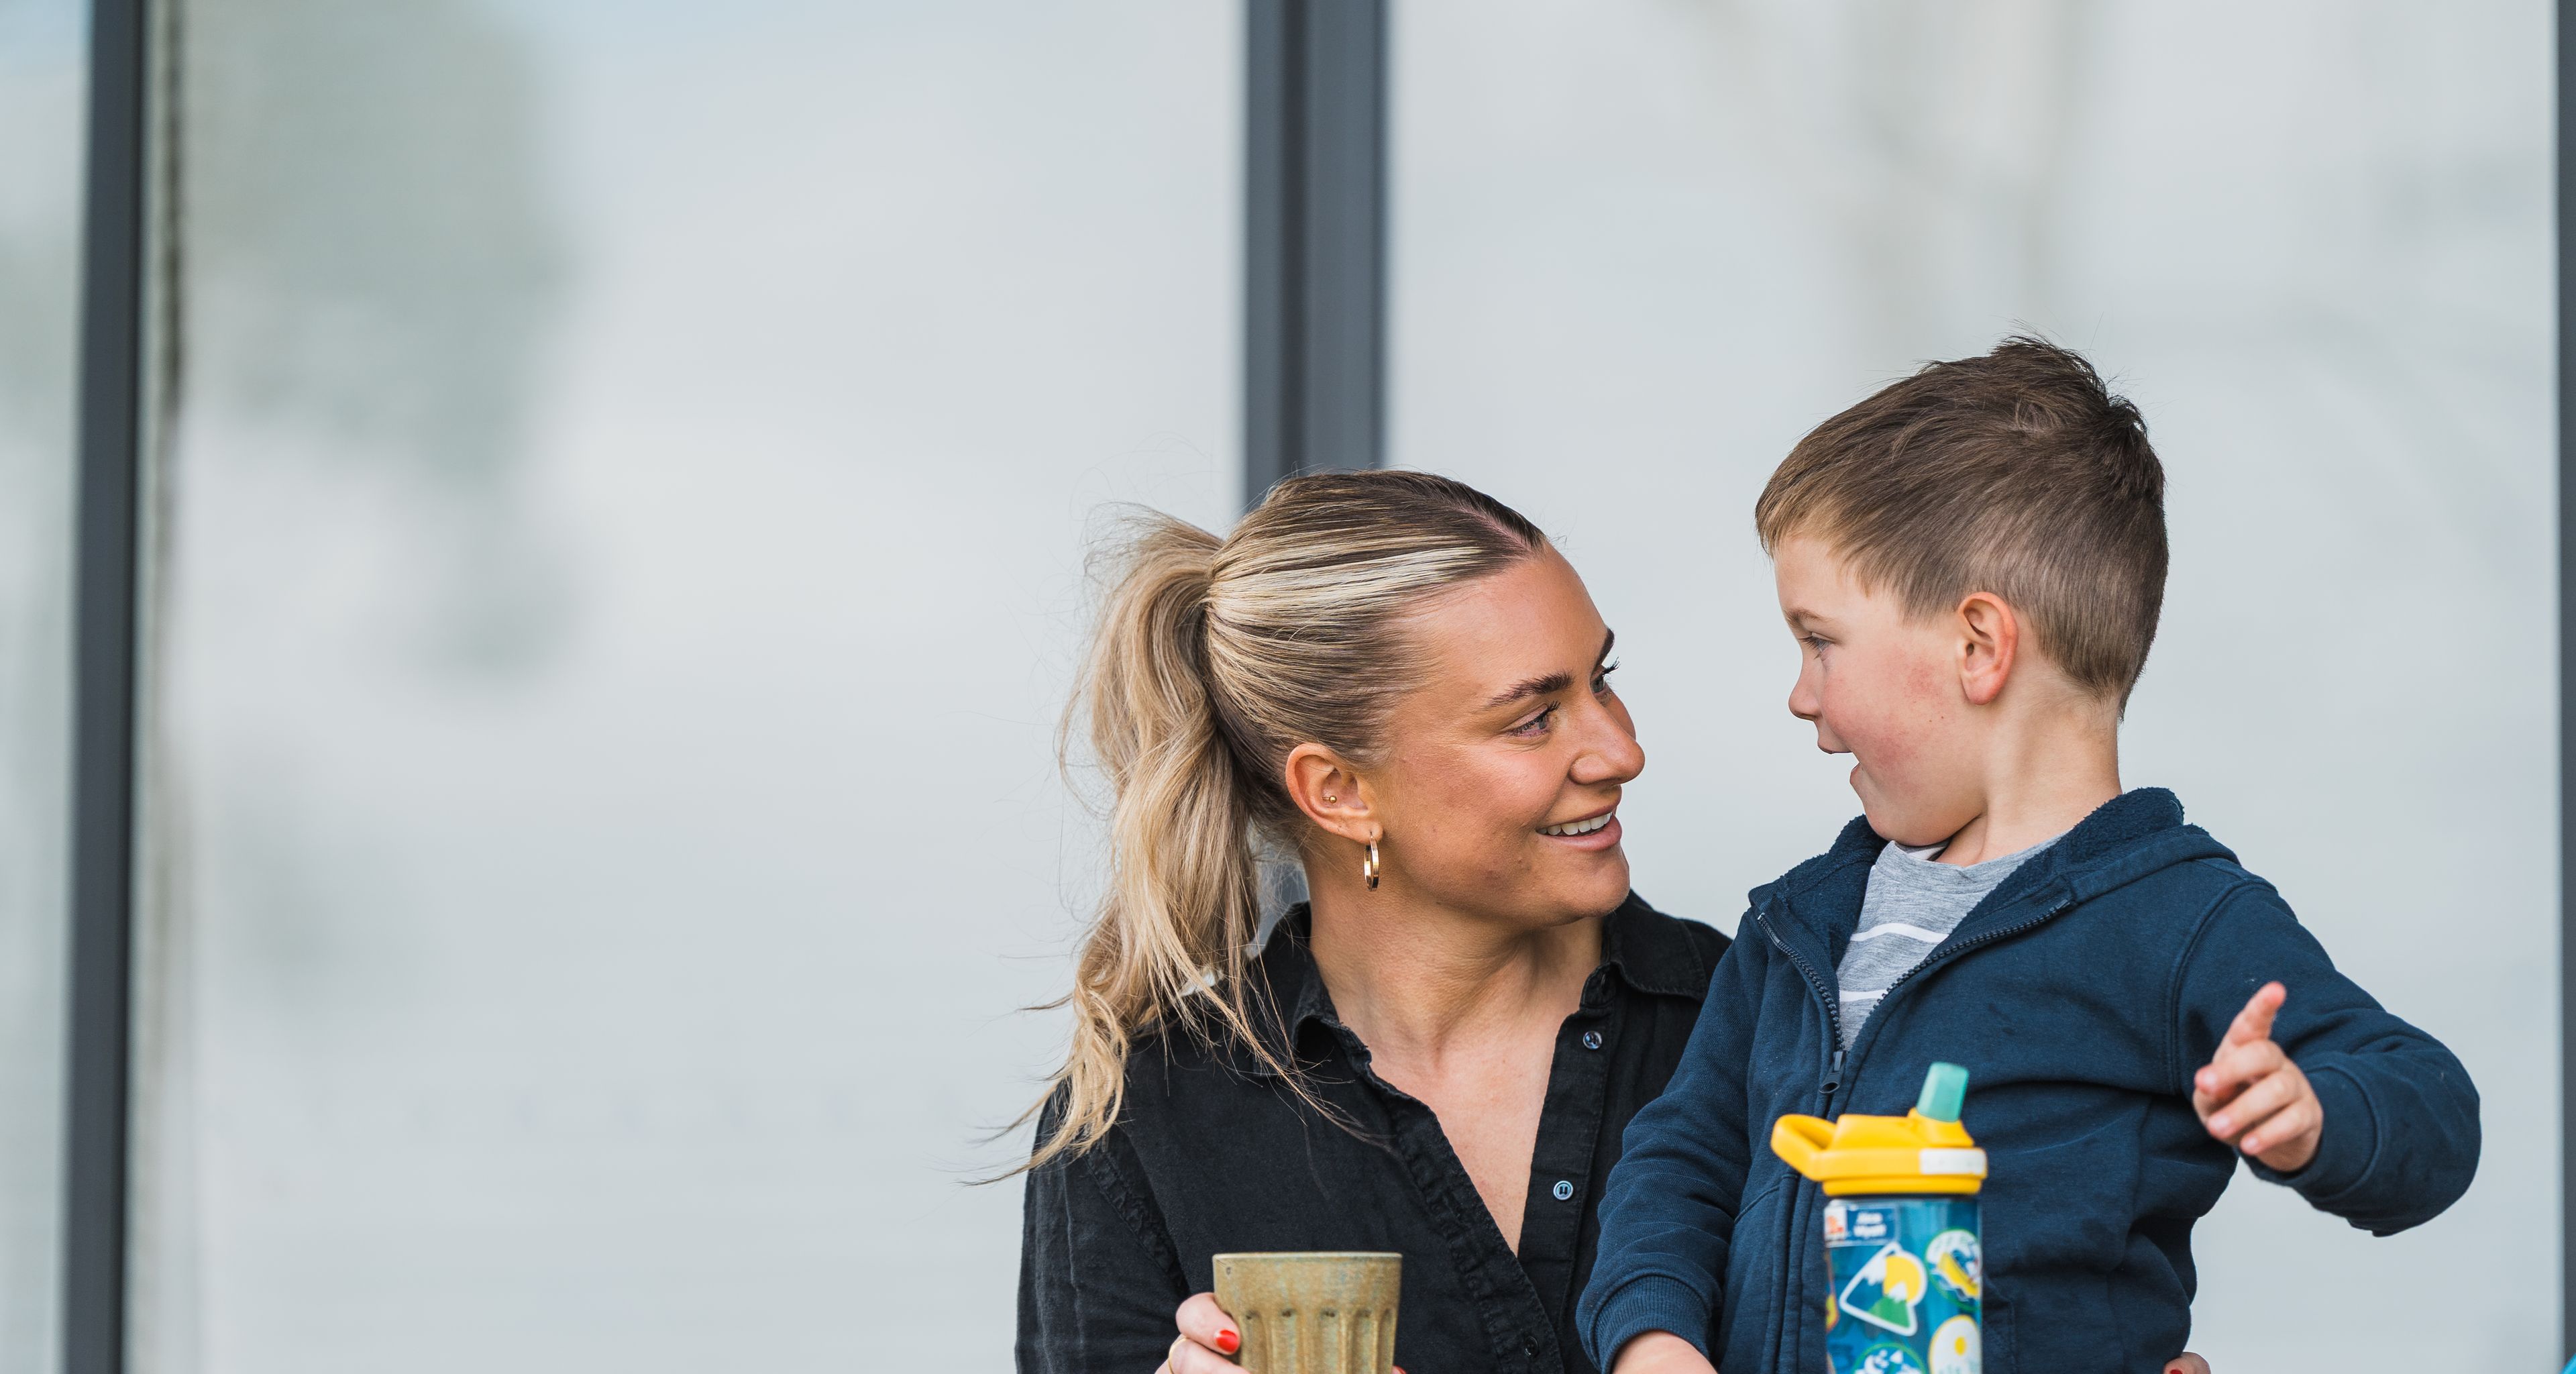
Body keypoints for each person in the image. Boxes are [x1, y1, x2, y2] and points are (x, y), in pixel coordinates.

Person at [1577, 339, 2483, 1374]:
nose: (1802, 695)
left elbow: (2430, 1108)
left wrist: (2316, 1114)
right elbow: (1680, 1162)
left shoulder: (2179, 923)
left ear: (1978, 646)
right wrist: (1652, 1339)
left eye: (1820, 640)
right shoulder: (1799, 925)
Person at [1013, 469, 1724, 1373]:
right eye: (1536, 718)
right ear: (1340, 791)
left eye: (1602, 680)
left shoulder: (1767, 1027)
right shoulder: (1138, 1120)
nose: (1624, 750)